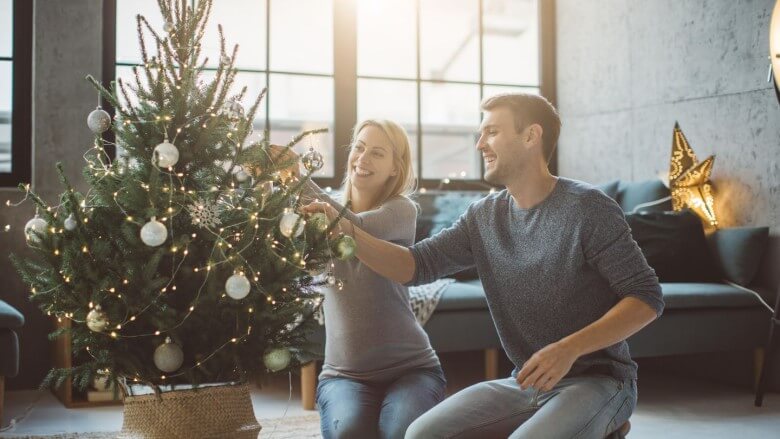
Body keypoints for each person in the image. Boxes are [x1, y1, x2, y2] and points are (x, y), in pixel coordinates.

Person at [302, 93, 664, 438]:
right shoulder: (484, 216)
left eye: (492, 132)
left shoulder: (588, 208)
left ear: (531, 137)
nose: (480, 144)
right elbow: (415, 266)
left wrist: (568, 348)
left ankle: (602, 423)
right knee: (421, 433)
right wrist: (345, 227)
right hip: (525, 383)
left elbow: (647, 297)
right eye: (480, 134)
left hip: (600, 381)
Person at [283, 119, 446, 439]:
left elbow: (356, 226)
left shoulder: (402, 210)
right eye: (358, 148)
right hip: (343, 376)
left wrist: (297, 174)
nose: (362, 158)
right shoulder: (323, 211)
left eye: (377, 153)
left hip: (413, 370)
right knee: (350, 434)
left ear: (395, 170)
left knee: (399, 432)